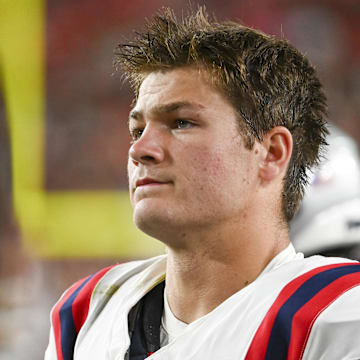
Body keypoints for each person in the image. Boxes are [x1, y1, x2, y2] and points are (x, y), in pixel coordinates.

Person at [45, 7, 360, 360]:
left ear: (271, 153)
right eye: (137, 129)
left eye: (181, 123)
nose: (140, 149)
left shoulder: (338, 313)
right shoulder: (88, 311)